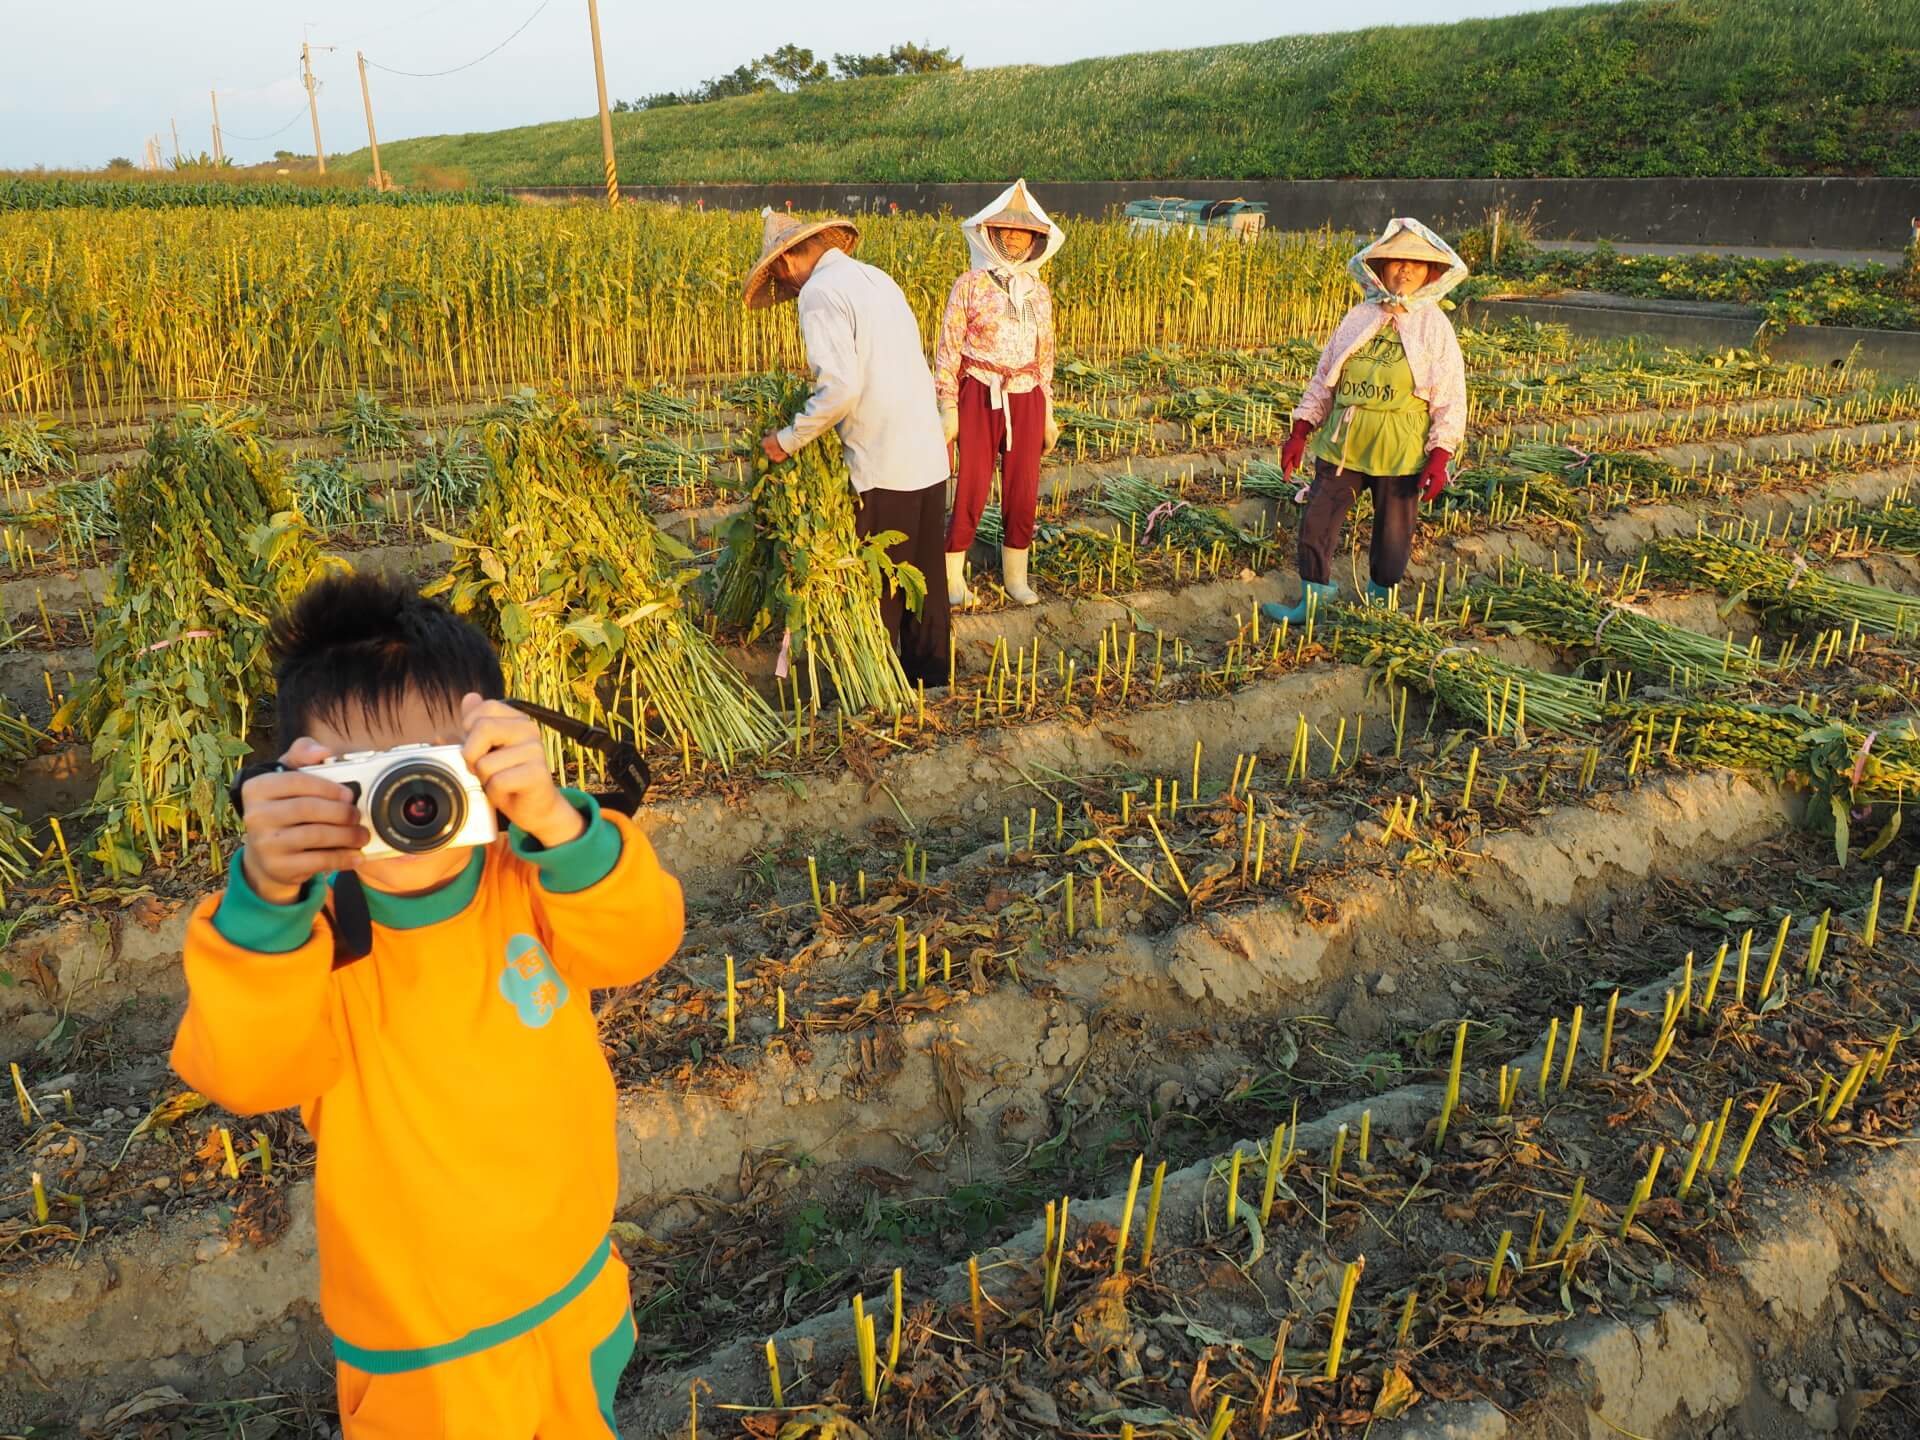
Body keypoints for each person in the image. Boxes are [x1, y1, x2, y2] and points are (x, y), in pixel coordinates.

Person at [170, 572, 685, 1437]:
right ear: (295, 779)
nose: (410, 805)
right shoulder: (308, 939)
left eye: (432, 767)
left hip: (578, 1292)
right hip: (425, 1352)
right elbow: (248, 1073)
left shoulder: (531, 878)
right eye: (363, 775)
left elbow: (641, 941)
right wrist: (266, 896)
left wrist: (558, 819)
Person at [746, 207, 952, 685]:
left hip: (883, 461)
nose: (787, 288)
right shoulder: (876, 278)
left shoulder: (818, 293)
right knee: (926, 584)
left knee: (880, 586)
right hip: (927, 454)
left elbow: (840, 389)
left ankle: (878, 696)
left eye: (781, 276)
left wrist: (787, 439)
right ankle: (934, 687)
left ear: (787, 262)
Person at [1261, 218, 1468, 625]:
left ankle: (1378, 607)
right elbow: (1326, 378)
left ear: (1430, 273)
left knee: (1393, 536)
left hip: (1400, 447)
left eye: (1415, 263)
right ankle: (1313, 600)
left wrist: (1440, 456)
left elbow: (1450, 397)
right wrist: (1302, 430)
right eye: (1396, 262)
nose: (1404, 271)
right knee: (1317, 521)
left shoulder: (1435, 327)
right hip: (1346, 442)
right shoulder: (1358, 317)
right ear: (1380, 267)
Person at [933, 179, 1064, 608]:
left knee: (1023, 488)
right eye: (1007, 229)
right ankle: (953, 574)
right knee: (971, 484)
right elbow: (948, 349)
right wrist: (948, 406)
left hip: (1026, 396)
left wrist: (1047, 413)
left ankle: (1016, 577)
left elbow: (1045, 357)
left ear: (1035, 238)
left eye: (1024, 231)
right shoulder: (969, 285)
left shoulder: (1039, 293)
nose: (1015, 237)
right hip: (980, 393)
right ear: (991, 233)